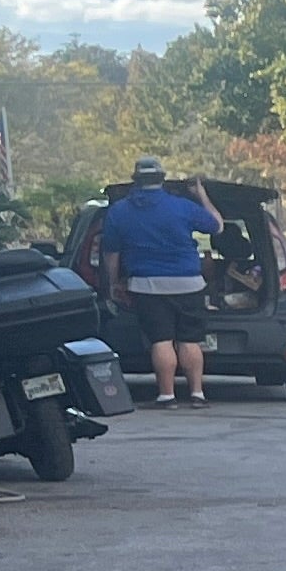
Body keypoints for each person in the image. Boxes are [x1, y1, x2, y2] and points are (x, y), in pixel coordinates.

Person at [97, 157, 222, 408]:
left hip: (147, 286)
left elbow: (111, 254)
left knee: (161, 340)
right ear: (162, 179)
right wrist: (201, 195)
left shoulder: (119, 211)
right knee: (189, 340)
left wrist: (112, 284)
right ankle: (197, 394)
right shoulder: (182, 206)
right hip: (189, 284)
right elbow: (217, 226)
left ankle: (167, 396)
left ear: (136, 180)